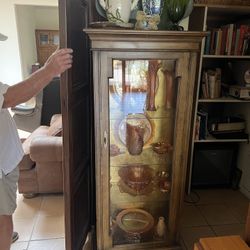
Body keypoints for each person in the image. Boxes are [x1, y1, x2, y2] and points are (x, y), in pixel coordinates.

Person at [0, 32, 73, 250]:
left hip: (7, 160)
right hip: (1, 166)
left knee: (5, 215)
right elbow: (9, 98)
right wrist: (50, 69)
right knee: (3, 219)